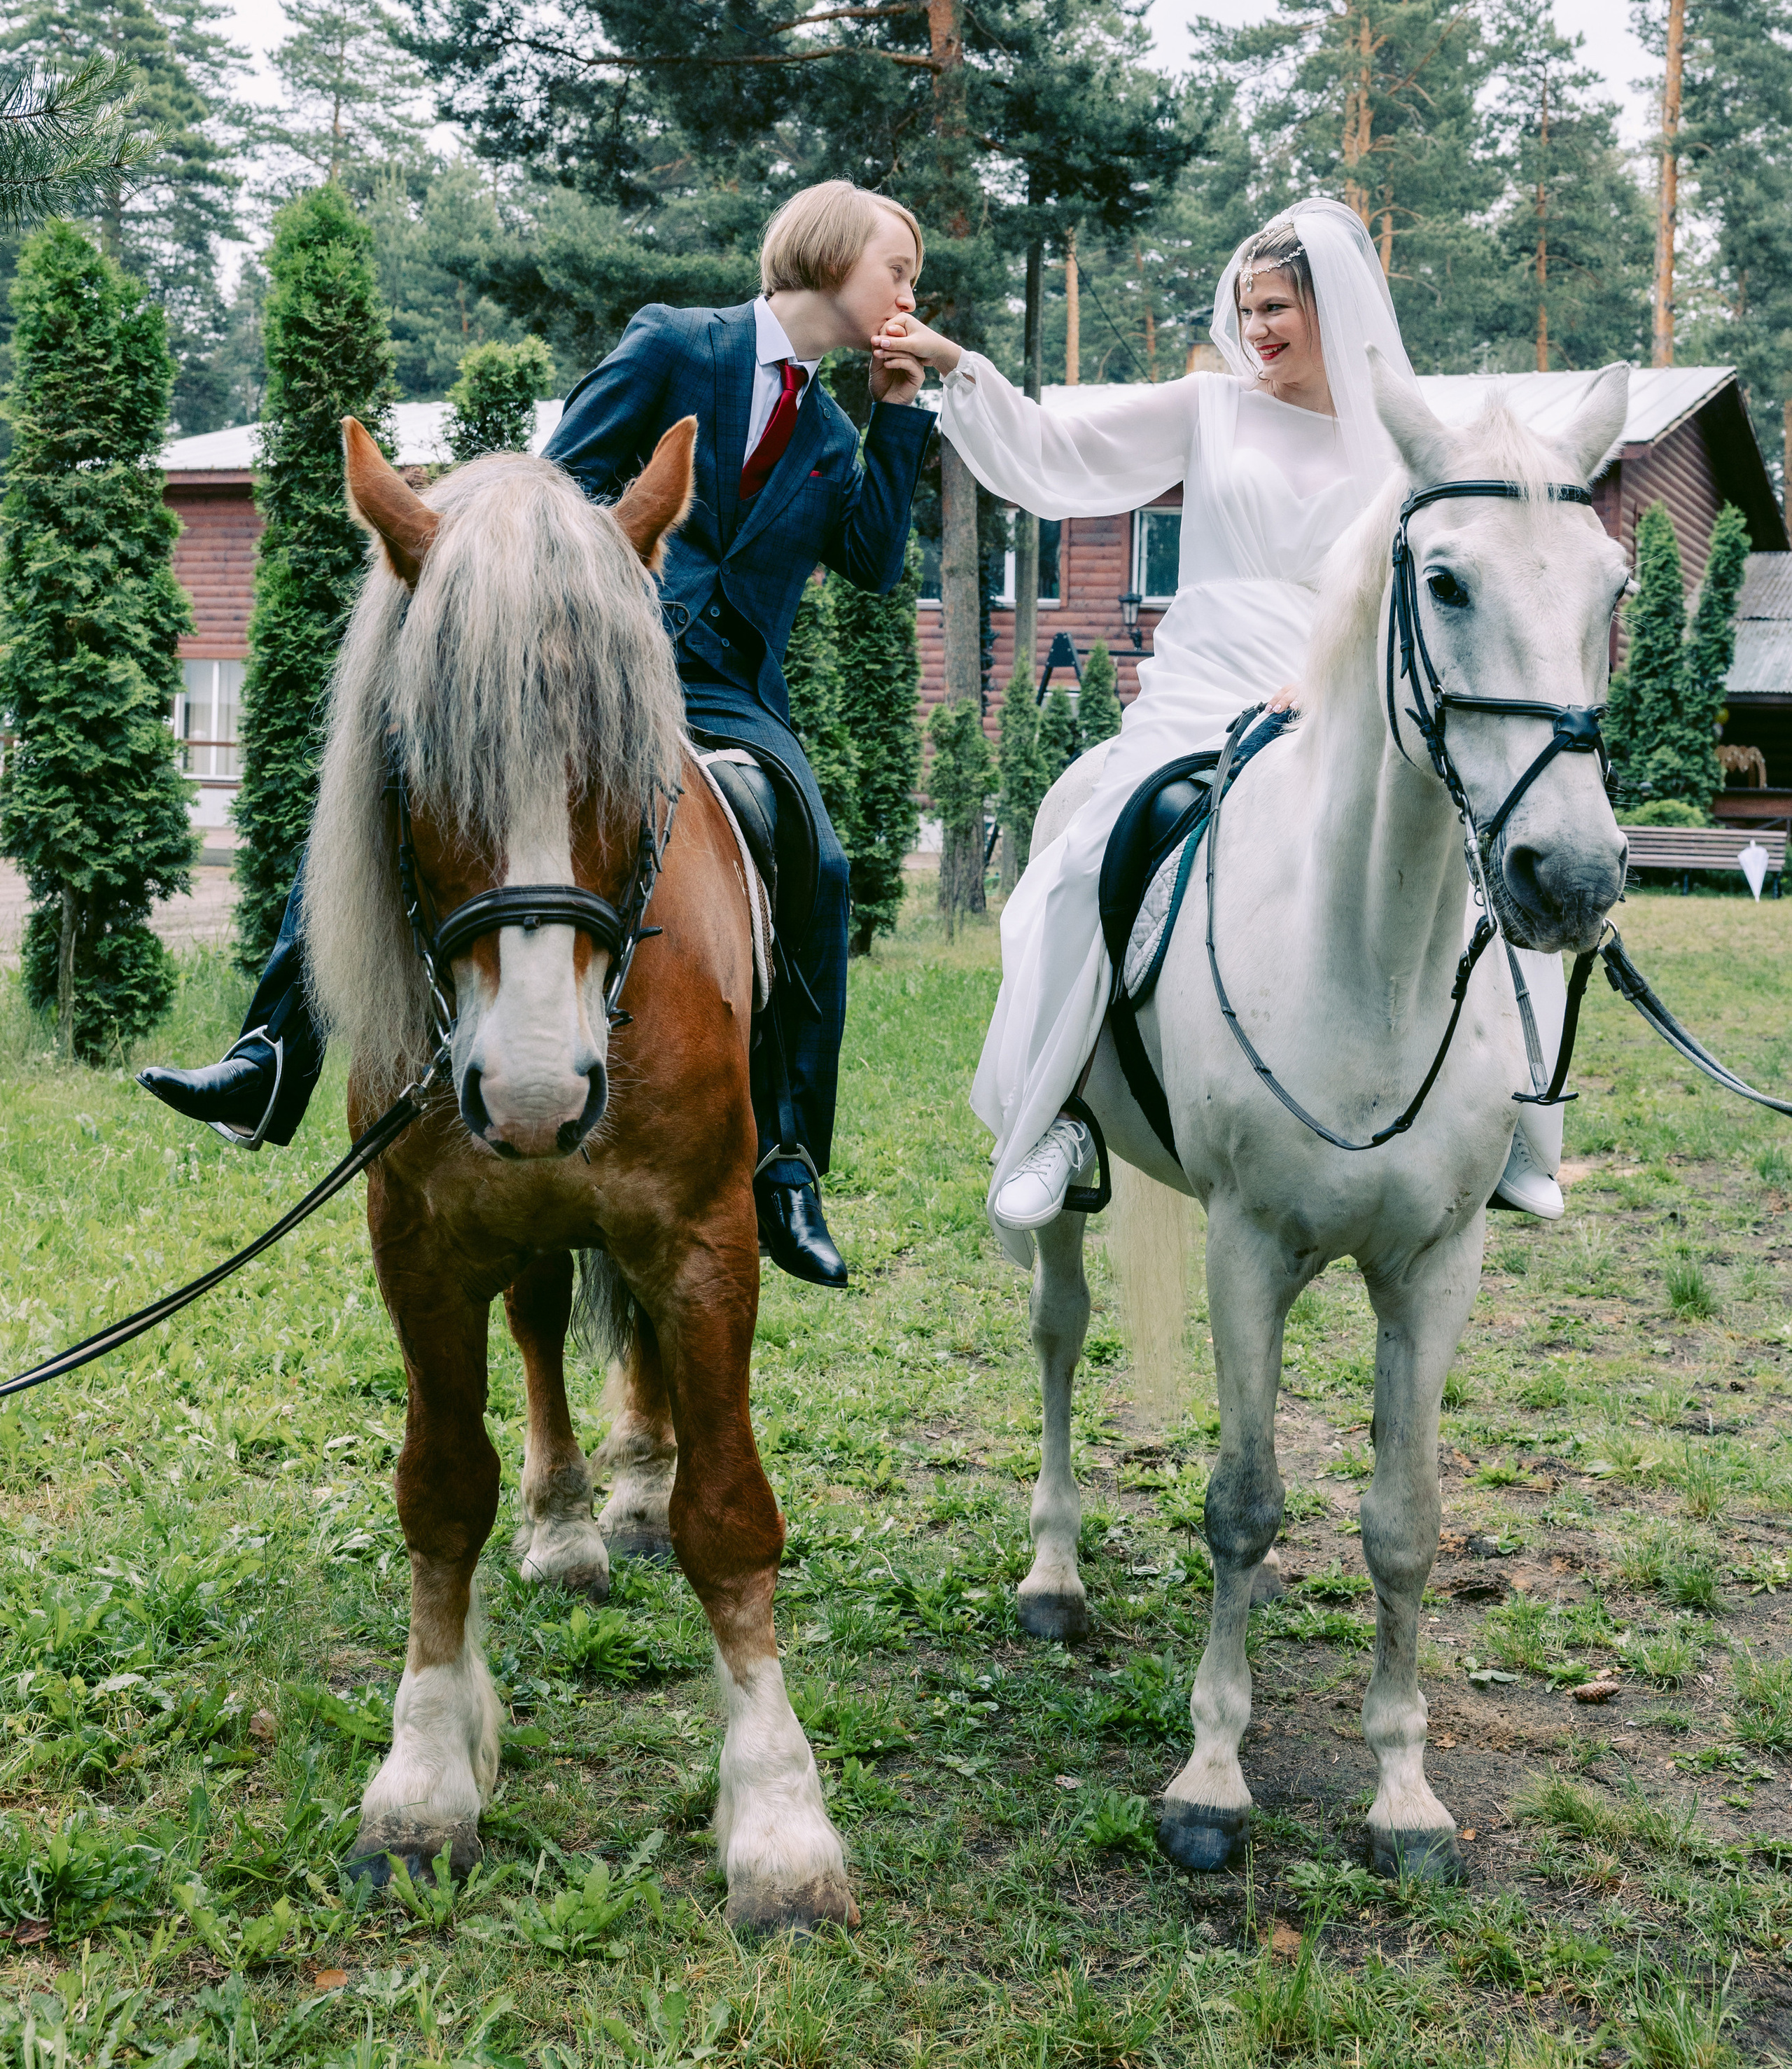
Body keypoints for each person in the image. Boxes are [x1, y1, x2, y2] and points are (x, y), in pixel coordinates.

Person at [140, 180, 937, 1289]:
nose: (911, 288)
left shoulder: (833, 431)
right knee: (387, 777)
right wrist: (574, 611)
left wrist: (904, 410)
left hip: (728, 693)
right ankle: (273, 1052)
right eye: (897, 266)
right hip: (588, 654)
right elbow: (556, 481)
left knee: (830, 867)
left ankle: (791, 1162)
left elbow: (874, 559)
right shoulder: (674, 344)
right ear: (828, 254)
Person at [874, 197, 1565, 1236]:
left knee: (1485, 862)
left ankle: (1514, 1122)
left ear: (1332, 306)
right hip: (1207, 678)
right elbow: (1060, 453)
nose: (1257, 331)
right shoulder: (1211, 409)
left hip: (1343, 689)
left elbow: (1428, 589)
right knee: (1078, 864)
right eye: (1247, 310)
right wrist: (954, 364)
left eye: (1277, 307)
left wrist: (1332, 679)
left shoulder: (1404, 440)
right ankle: (1056, 1118)